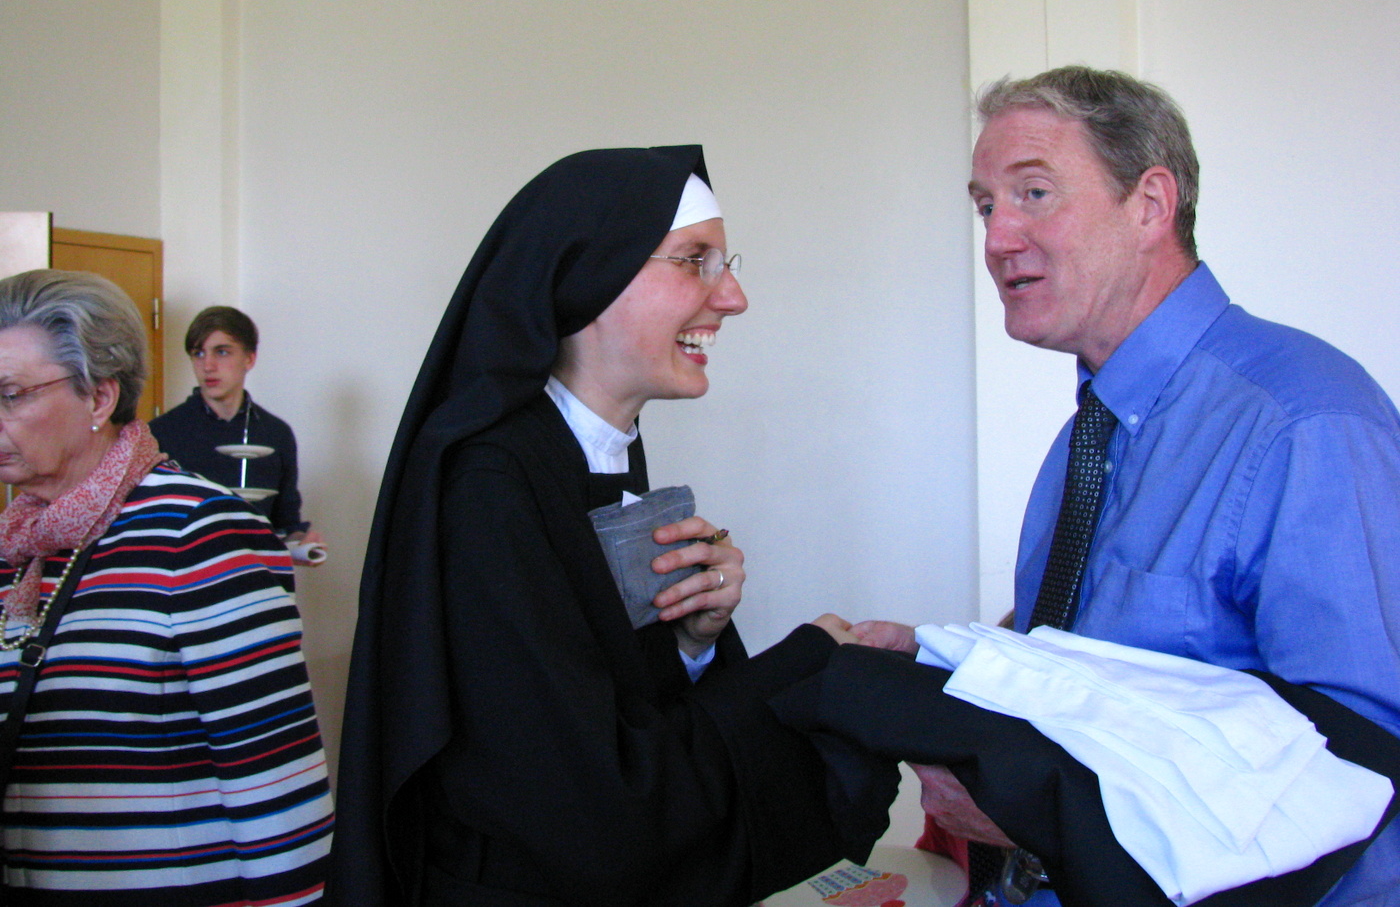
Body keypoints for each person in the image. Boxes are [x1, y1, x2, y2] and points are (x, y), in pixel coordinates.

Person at [857, 67, 1400, 906]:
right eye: (985, 206)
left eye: (1034, 193)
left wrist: (1041, 808)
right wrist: (946, 665)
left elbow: (1358, 773)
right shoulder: (1088, 434)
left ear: (1150, 204)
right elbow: (1104, 670)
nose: (998, 239)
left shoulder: (1306, 423)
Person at [330, 146, 894, 907]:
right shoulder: (489, 484)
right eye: (696, 261)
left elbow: (604, 705)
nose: (733, 298)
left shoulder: (590, 454)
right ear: (588, 275)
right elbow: (585, 803)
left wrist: (691, 642)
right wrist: (806, 665)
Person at [0, 269, 333, 902]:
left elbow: (275, 790)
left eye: (11, 393)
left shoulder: (202, 533)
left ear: (100, 398)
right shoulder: (17, 543)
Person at [151, 306, 322, 549]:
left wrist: (301, 543)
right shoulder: (160, 434)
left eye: (221, 352)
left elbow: (285, 523)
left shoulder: (276, 434)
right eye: (198, 354)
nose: (208, 365)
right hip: (189, 579)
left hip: (257, 577)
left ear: (249, 358)